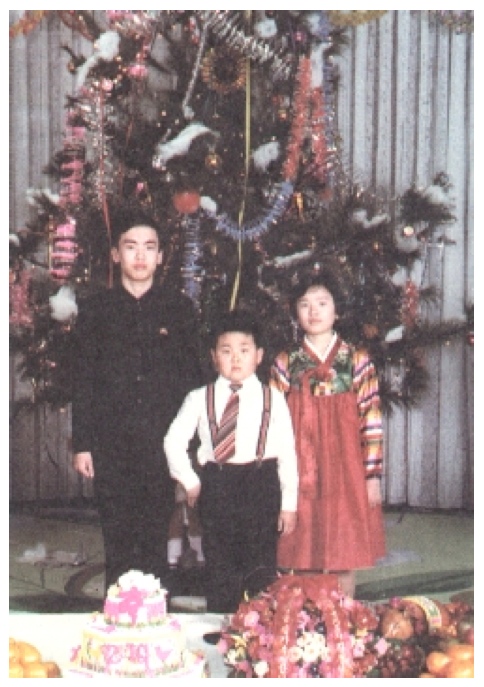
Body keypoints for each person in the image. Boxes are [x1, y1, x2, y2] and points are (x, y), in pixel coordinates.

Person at [71, 202, 202, 594]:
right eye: (131, 246)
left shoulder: (178, 309)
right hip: (112, 446)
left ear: (161, 255)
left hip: (161, 444)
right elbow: (84, 381)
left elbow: (191, 382)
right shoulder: (95, 311)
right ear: (115, 254)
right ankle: (118, 620)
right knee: (118, 537)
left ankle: (154, 622)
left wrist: (189, 448)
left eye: (149, 247)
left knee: (154, 538)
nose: (140, 256)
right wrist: (83, 444)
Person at [163, 309, 299, 613]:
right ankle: (219, 630)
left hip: (261, 483)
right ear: (214, 357)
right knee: (220, 564)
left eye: (244, 350)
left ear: (259, 356)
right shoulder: (199, 397)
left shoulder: (273, 398)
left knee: (260, 567)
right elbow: (173, 440)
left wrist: (289, 504)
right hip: (218, 484)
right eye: (226, 351)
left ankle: (258, 638)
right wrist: (190, 479)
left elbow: (287, 452)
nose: (235, 359)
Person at [270, 269, 386, 598]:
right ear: (295, 311)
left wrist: (372, 475)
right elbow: (272, 420)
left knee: (343, 551)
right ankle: (305, 625)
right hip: (300, 467)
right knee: (300, 547)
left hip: (345, 467)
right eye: (305, 305)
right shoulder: (285, 362)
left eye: (322, 303)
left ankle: (344, 625)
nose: (314, 311)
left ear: (337, 309)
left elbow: (372, 419)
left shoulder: (357, 360)